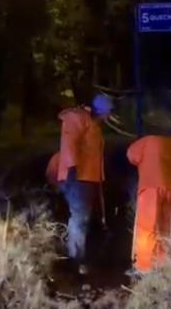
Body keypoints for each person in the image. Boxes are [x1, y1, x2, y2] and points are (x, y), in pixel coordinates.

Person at [54, 93, 112, 275]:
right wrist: (72, 172)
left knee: (85, 219)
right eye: (108, 112)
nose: (109, 116)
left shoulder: (93, 125)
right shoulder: (77, 118)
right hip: (78, 178)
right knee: (79, 218)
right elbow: (70, 143)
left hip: (89, 178)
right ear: (101, 110)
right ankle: (75, 261)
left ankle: (82, 257)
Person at [126, 134, 171, 276]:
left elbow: (131, 155)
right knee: (164, 227)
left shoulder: (146, 141)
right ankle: (161, 264)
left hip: (151, 186)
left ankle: (143, 267)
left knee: (146, 227)